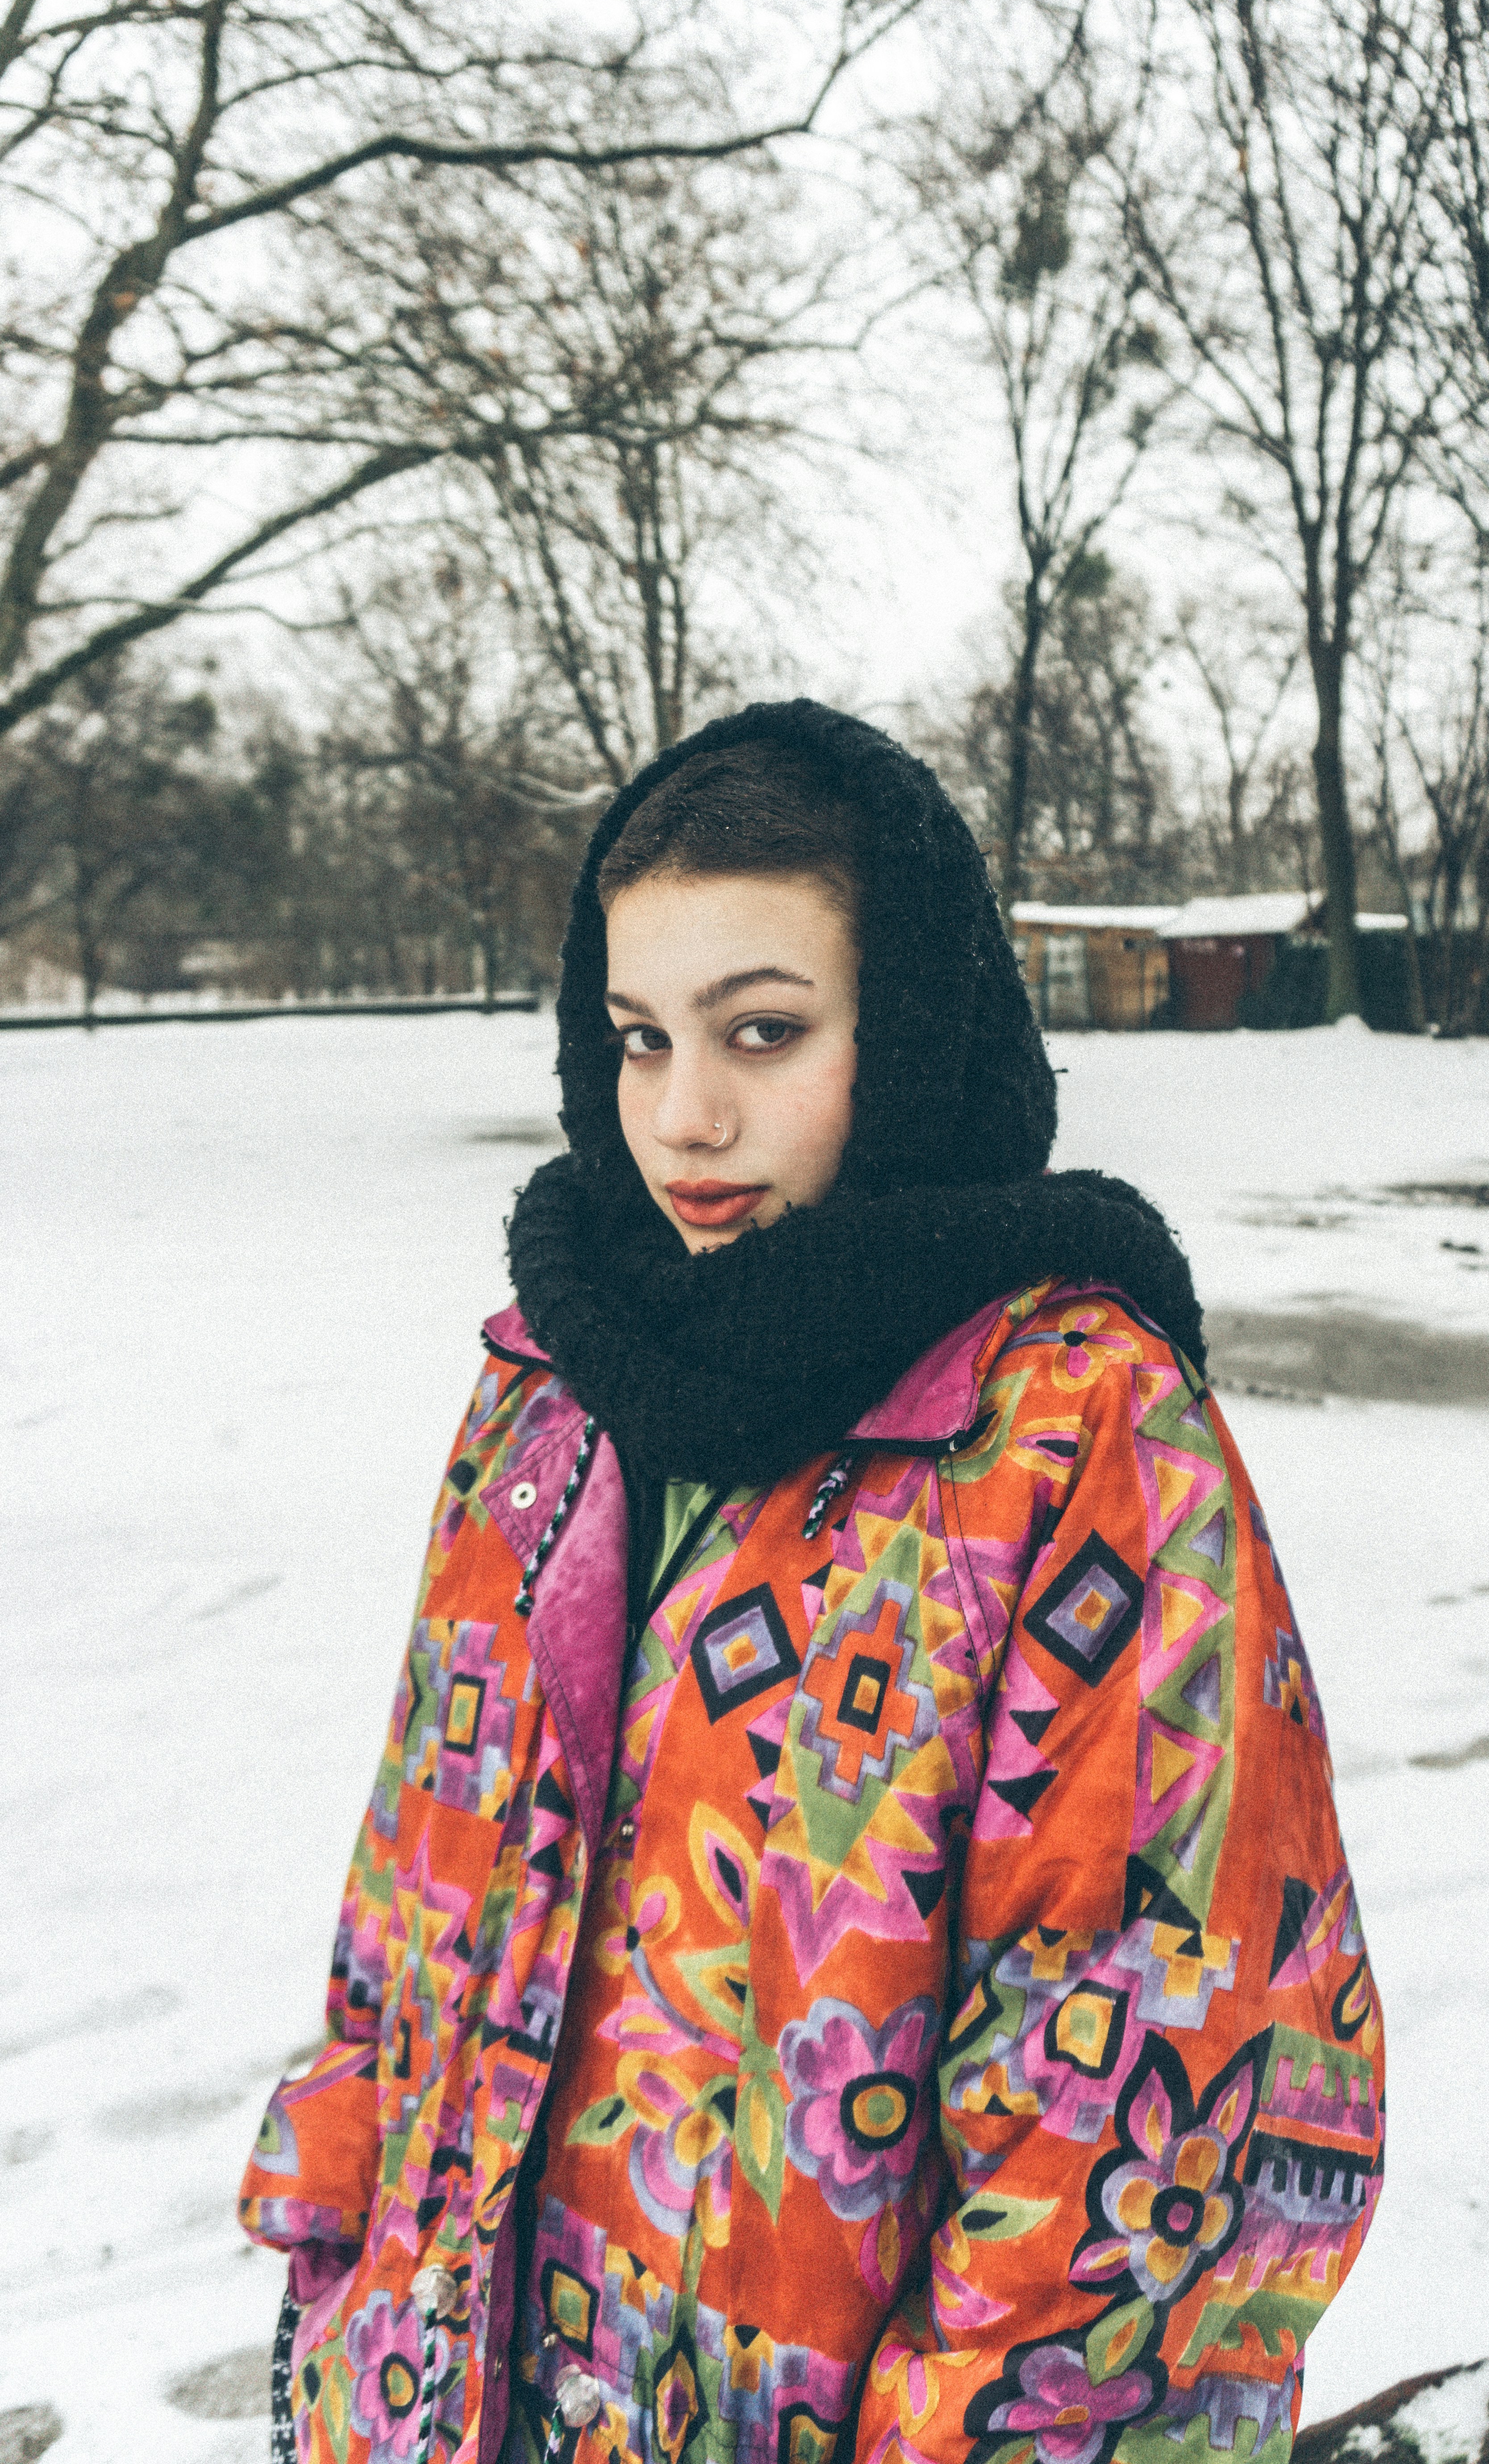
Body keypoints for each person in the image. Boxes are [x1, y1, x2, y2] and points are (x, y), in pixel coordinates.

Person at [241, 701, 1383, 2464]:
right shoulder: (550, 1384)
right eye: (639, 1039)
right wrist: (337, 2281)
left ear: (908, 1031)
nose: (683, 1118)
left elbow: (1157, 2122)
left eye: (762, 1032)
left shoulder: (1070, 1438)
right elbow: (409, 1896)